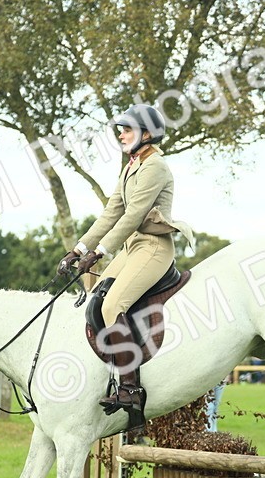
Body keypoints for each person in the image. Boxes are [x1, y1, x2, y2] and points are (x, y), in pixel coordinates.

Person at [56, 104, 195, 414]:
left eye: (127, 130)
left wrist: (100, 252)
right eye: (121, 129)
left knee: (112, 305)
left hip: (153, 248)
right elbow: (111, 212)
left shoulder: (156, 166)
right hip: (132, 247)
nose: (121, 134)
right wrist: (79, 249)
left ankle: (131, 388)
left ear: (147, 134)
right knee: (95, 296)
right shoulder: (131, 166)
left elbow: (134, 216)